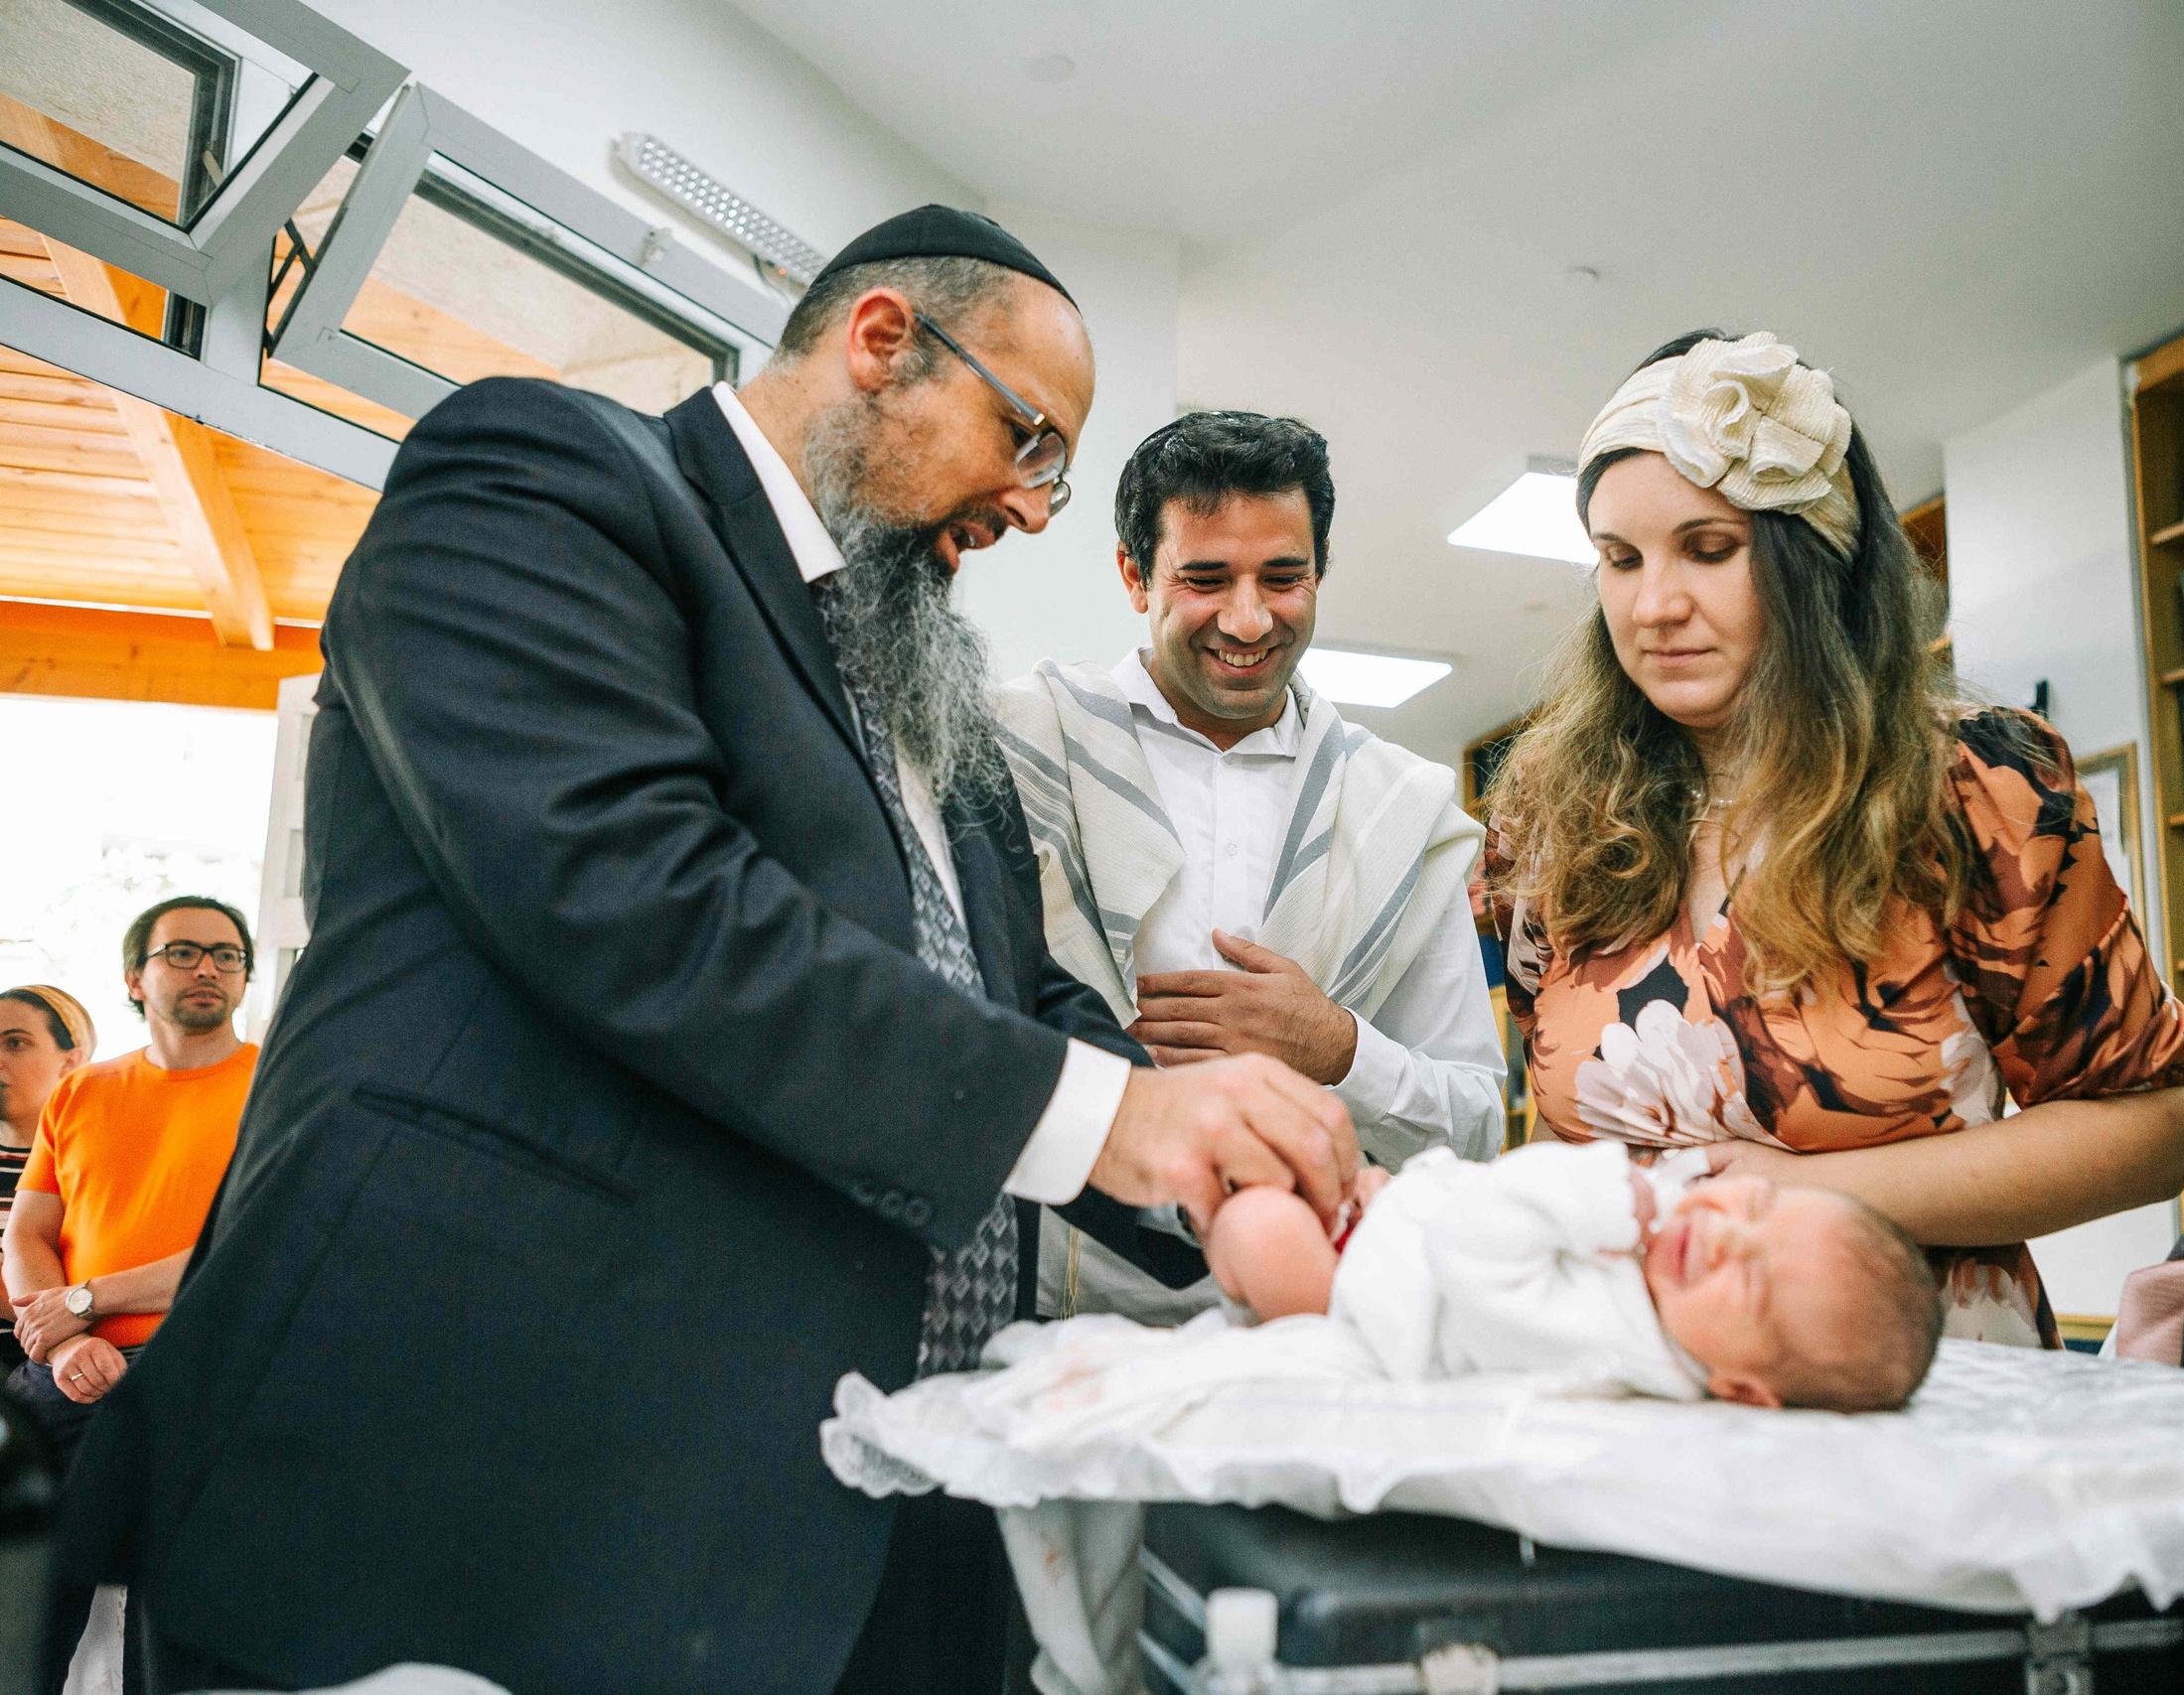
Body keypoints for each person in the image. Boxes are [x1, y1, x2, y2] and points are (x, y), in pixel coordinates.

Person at [59, 207, 1358, 1695]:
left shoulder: (924, 686)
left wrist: (1245, 1170)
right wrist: (1116, 1117)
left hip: (870, 1514)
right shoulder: (548, 479)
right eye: (1027, 437)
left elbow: (1023, 999)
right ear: (882, 341)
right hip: (490, 1487)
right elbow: (636, 895)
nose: (1033, 504)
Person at [1486, 330, 2184, 1348]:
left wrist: (1815, 1191)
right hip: (1631, 1370)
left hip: (1908, 1368)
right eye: (1620, 559)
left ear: (1812, 557)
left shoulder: (1974, 785)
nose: (1653, 606)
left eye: (1709, 549)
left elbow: (2149, 1133)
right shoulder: (1547, 815)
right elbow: (1557, 1121)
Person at [997, 411, 1501, 1323]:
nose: (1249, 618)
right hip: (1041, 1323)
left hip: (1314, 1336)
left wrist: (1340, 1049)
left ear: (1320, 570)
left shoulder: (1399, 811)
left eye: (1282, 577)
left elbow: (1476, 1126)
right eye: (1205, 579)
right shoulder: (1017, 749)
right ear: (1132, 574)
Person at [1204, 1141, 1942, 1413]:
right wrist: (1403, 1191)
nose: (1724, 1236)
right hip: (1400, 1222)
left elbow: (1476, 1251)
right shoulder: (1672, 1270)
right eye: (1755, 1205)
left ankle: (1217, 1239)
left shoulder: (1609, 1341)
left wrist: (1596, 1193)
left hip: (1369, 1296)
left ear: (1740, 1387)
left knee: (1259, 1226)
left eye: (1748, 1282)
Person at [5, 903, 253, 1695]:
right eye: (182, 951)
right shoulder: (81, 1091)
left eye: (227, 954)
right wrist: (67, 1341)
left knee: (173, 1635)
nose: (207, 966)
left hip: (210, 1378)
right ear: (134, 977)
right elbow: (27, 1234)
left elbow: (243, 1247)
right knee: (20, 1618)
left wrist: (85, 1301)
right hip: (68, 1378)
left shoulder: (278, 1090)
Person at [0, 985, 94, 1372]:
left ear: (70, 1061)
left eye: (16, 1043)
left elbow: (98, 1283)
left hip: (60, 1370)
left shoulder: (94, 1164)